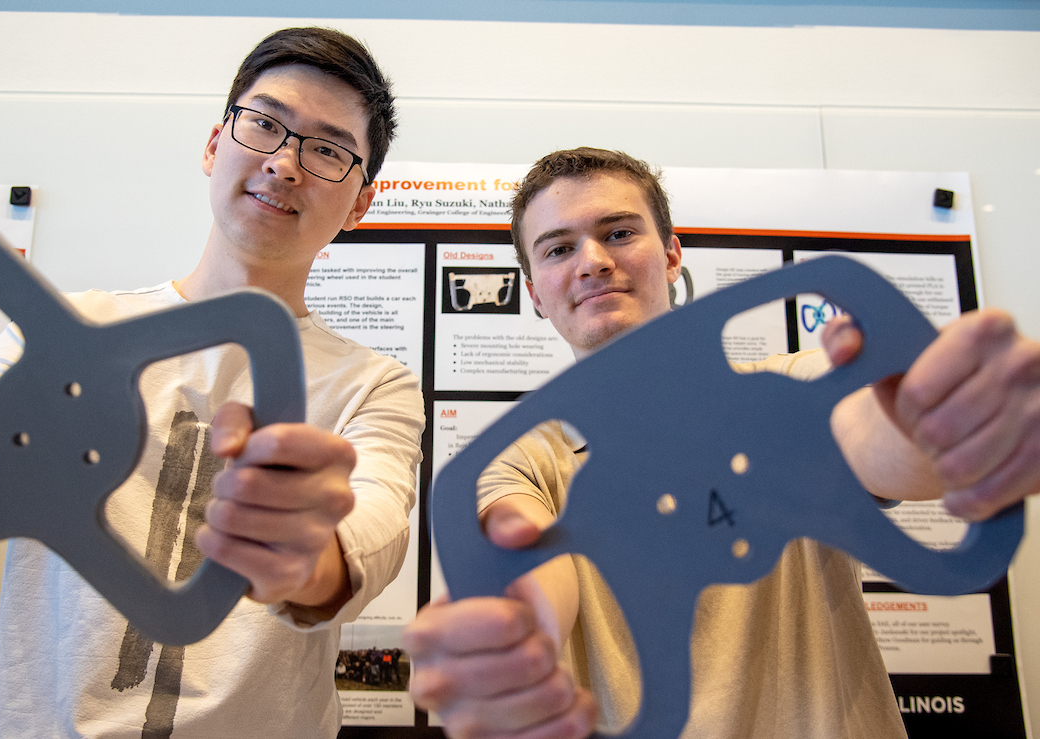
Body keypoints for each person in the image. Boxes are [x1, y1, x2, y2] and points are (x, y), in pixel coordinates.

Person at [0, 27, 425, 738]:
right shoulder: (69, 326)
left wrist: (308, 556)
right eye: (266, 124)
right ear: (215, 144)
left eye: (328, 150)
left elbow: (370, 530)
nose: (284, 164)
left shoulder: (375, 384)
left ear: (362, 202)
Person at [404, 147, 1040, 739]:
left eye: (619, 233)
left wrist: (931, 423)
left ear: (674, 254)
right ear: (536, 293)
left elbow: (872, 437)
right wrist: (510, 627)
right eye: (557, 249)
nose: (593, 261)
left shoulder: (786, 387)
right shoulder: (523, 460)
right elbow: (525, 560)